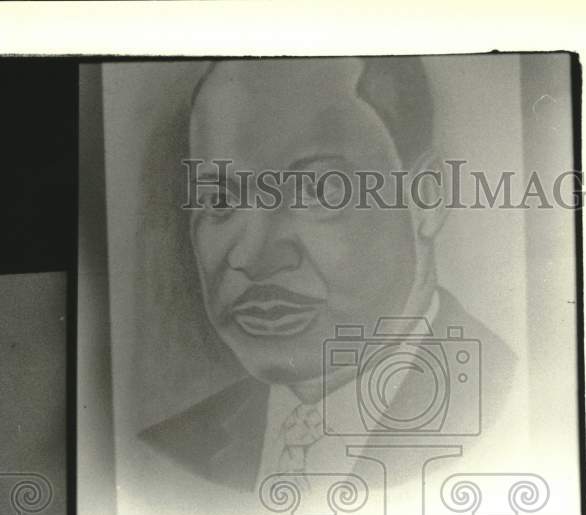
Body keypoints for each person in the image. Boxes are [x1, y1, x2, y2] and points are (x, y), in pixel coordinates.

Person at [136, 56, 516, 492]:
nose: (254, 255)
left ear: (426, 199)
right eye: (220, 199)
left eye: (319, 190)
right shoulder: (170, 454)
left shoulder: (515, 406)